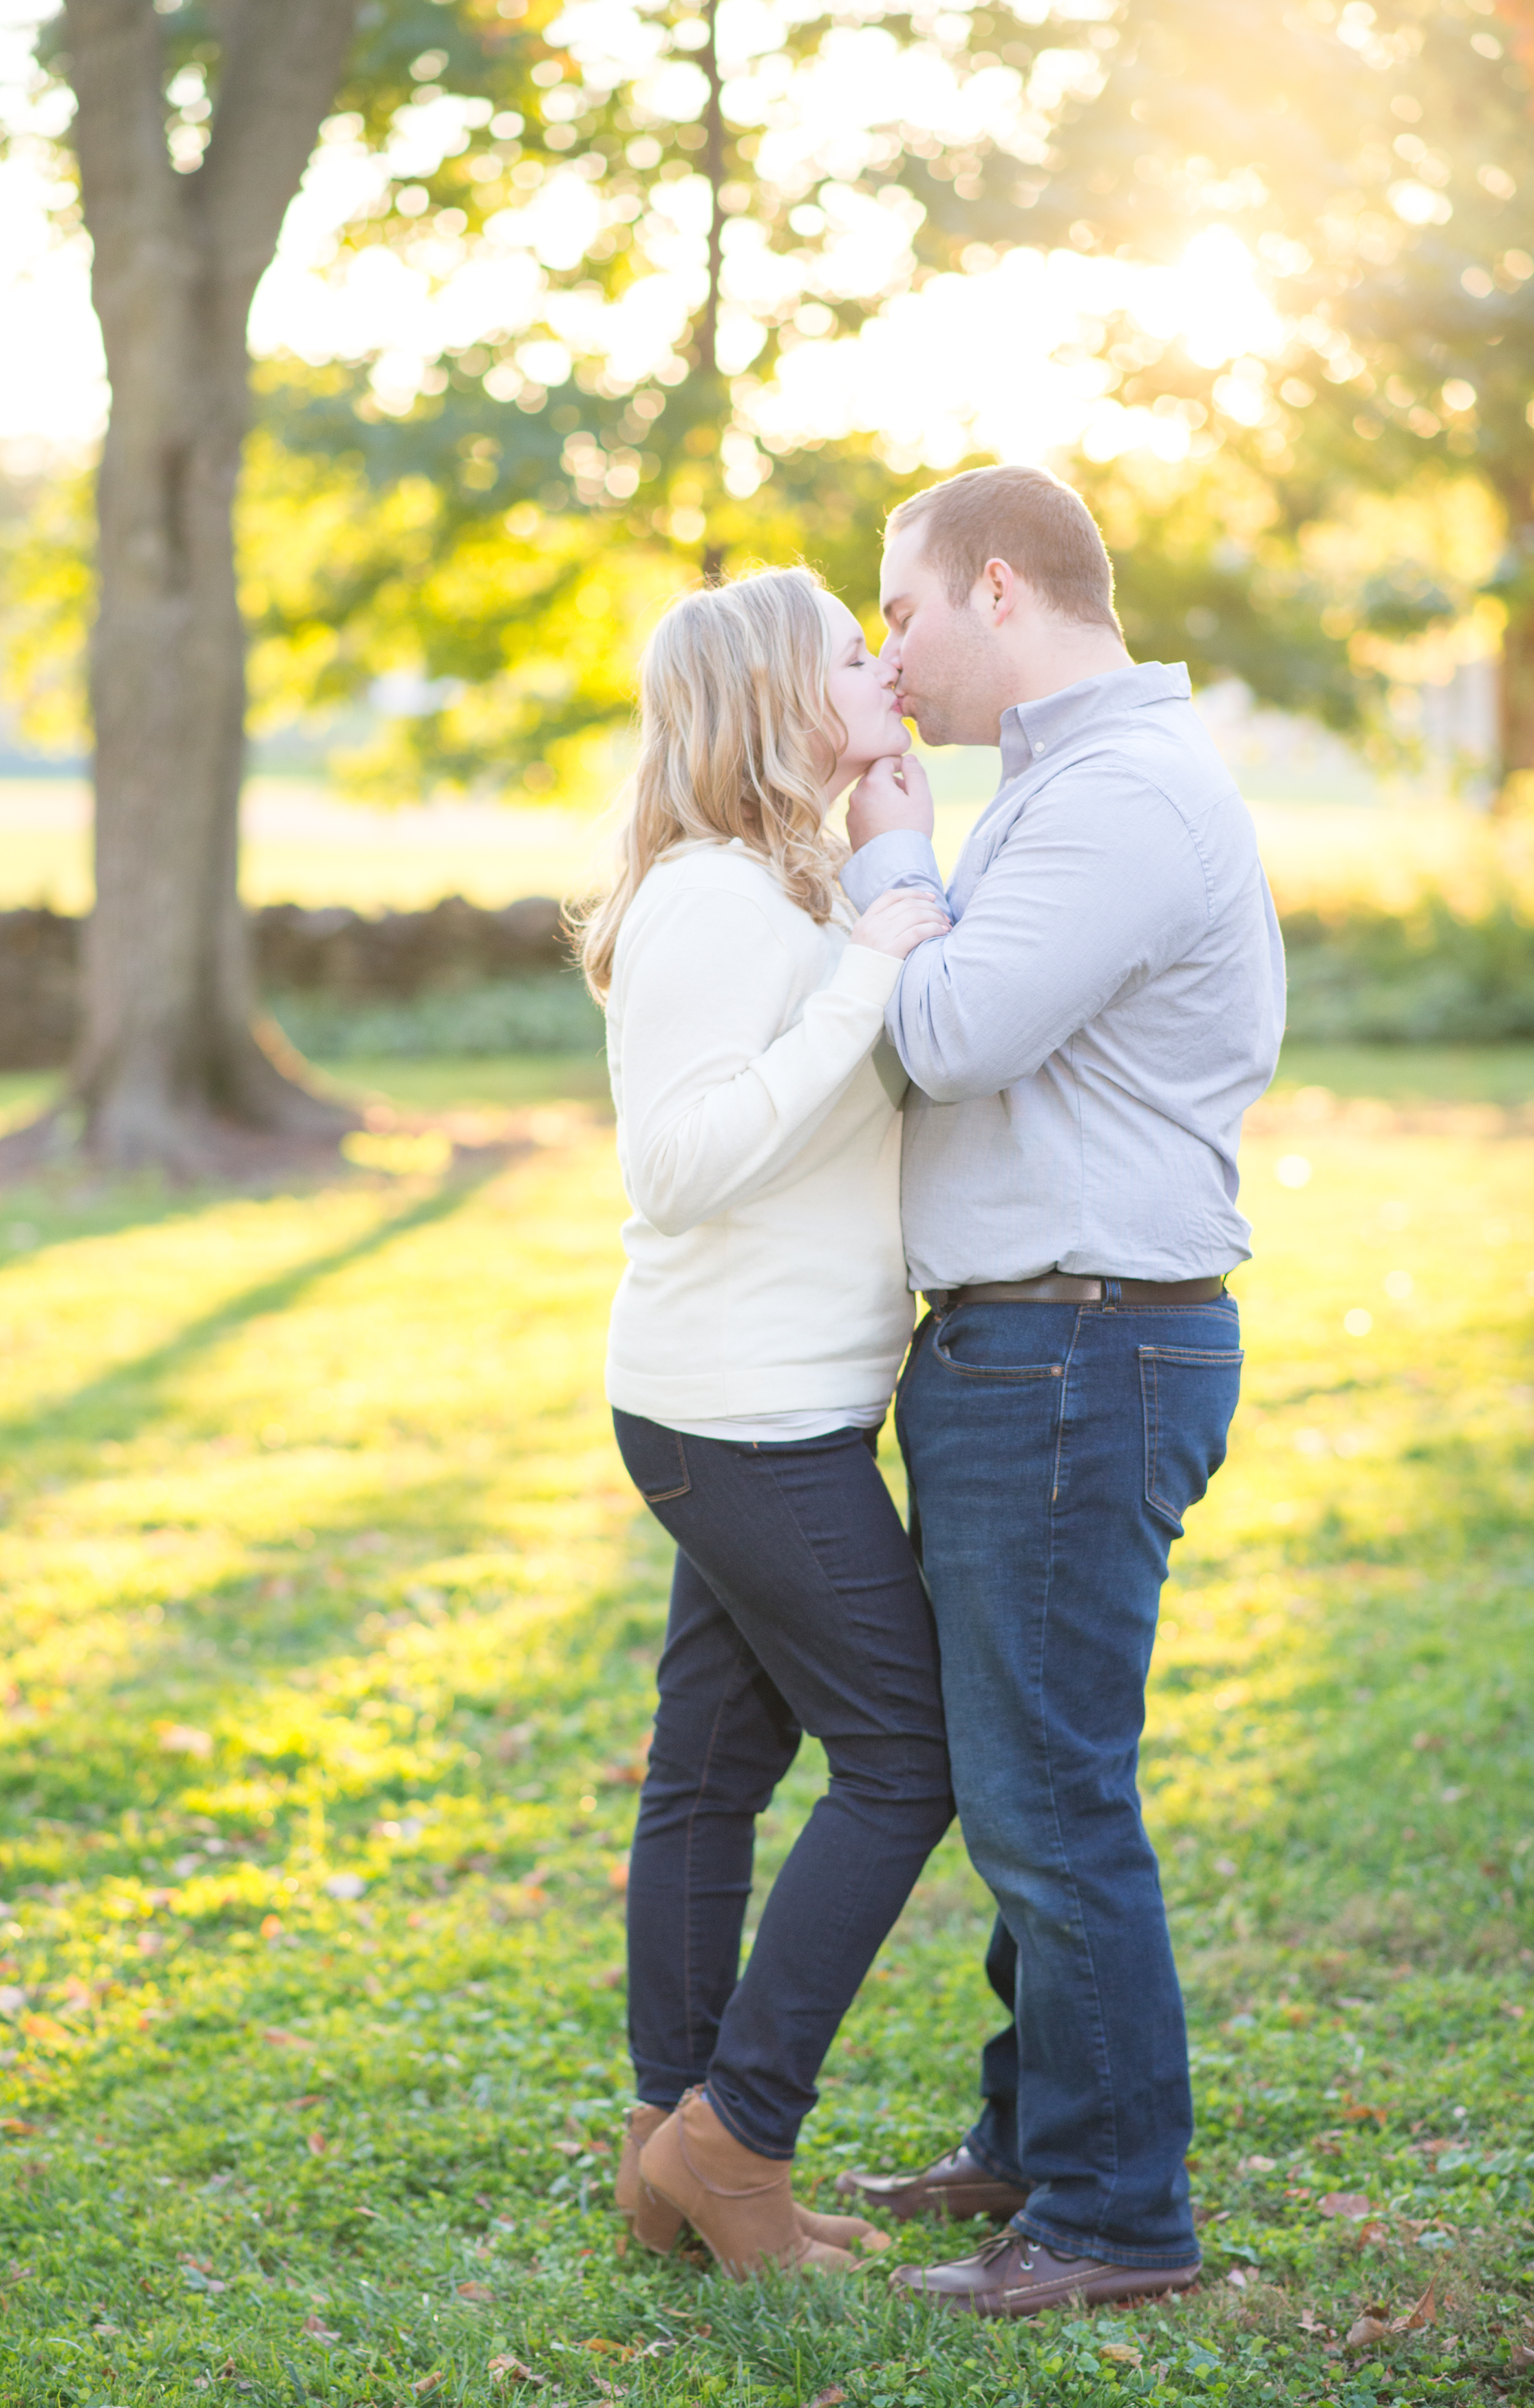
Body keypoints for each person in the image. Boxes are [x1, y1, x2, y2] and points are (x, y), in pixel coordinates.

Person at [832, 465, 1286, 2317]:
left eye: (904, 609)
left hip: (1084, 1343)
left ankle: (1115, 2221)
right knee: (1032, 1776)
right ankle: (1038, 2140)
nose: (887, 646)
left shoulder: (1120, 803)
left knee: (1048, 1795)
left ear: (999, 588)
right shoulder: (1064, 791)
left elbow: (941, 1034)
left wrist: (886, 842)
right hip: (1042, 1339)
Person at [579, 564, 956, 2280]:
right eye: (847, 652)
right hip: (744, 1416)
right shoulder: (718, 899)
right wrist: (870, 967)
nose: (881, 662)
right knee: (905, 1755)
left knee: (717, 1769)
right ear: (772, 698)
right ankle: (735, 2139)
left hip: (747, 1399)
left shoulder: (767, 884)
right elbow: (679, 1159)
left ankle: (674, 2140)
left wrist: (888, 871)